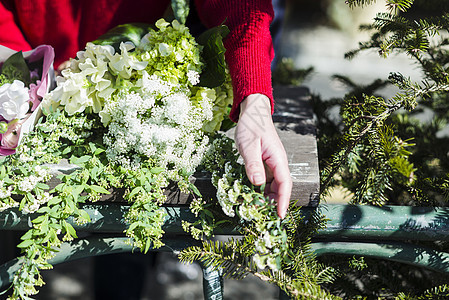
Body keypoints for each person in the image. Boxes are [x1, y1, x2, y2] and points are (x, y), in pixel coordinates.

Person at [0, 0, 292, 218]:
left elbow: (243, 9)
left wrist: (254, 100)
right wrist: (28, 70)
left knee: (127, 227)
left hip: (135, 93)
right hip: (33, 88)